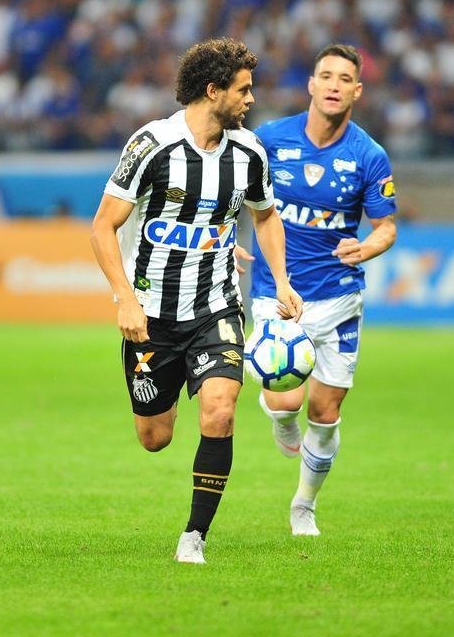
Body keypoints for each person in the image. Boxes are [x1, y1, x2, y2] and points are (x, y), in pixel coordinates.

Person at [90, 37, 304, 564]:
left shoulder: (249, 152)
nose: (251, 100)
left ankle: (195, 536)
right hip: (151, 316)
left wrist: (281, 280)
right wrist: (124, 299)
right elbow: (103, 226)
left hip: (217, 307)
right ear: (213, 91)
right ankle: (161, 407)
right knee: (154, 437)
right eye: (243, 90)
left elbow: (265, 214)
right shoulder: (151, 145)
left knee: (220, 409)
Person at [237, 44, 397, 537]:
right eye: (324, 75)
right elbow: (229, 193)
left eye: (343, 78)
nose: (332, 84)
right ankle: (282, 421)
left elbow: (386, 227)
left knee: (325, 413)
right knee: (286, 402)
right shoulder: (268, 140)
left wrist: (366, 248)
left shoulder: (369, 155)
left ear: (356, 90)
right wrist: (224, 238)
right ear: (310, 84)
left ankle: (304, 505)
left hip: (339, 296)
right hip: (278, 291)